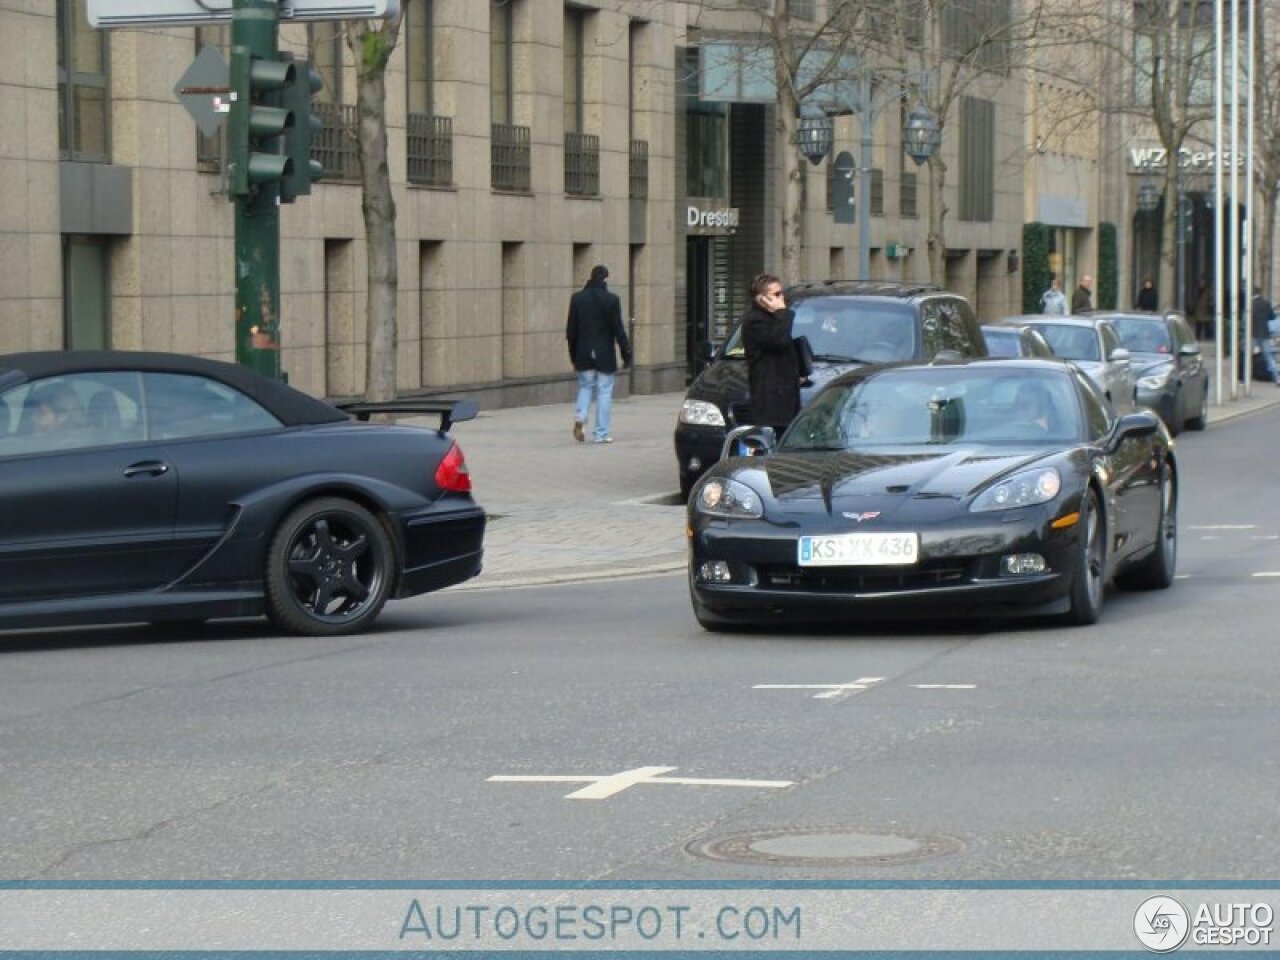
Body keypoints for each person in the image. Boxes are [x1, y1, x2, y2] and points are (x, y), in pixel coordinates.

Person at [566, 264, 631, 443]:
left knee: (585, 387)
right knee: (604, 392)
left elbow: (571, 332)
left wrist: (573, 355)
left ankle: (580, 416)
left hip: (583, 353)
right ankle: (601, 434)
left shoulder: (577, 299)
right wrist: (626, 355)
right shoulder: (611, 300)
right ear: (605, 279)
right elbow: (619, 331)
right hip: (605, 355)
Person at [741, 272, 801, 438]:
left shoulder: (774, 319)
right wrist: (782, 312)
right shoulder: (755, 321)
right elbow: (778, 340)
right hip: (771, 400)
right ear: (762, 299)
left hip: (785, 397)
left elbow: (785, 349)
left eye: (782, 294)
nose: (782, 299)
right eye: (776, 294)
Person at [1249, 286, 1279, 386]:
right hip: (1264, 333)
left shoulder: (1250, 304)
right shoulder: (1266, 303)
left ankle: (1245, 377)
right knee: (1269, 357)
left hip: (1253, 333)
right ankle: (1277, 378)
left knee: (1247, 355)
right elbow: (1272, 317)